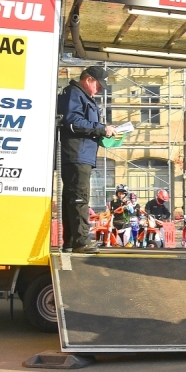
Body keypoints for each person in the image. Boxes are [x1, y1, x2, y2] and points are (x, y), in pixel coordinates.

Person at [57, 66, 118, 253]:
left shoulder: (82, 96)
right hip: (77, 153)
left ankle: (70, 240)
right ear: (89, 80)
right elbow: (73, 121)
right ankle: (81, 240)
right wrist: (100, 128)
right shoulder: (74, 94)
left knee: (72, 197)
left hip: (81, 153)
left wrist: (100, 131)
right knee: (79, 197)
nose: (100, 90)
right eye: (99, 85)